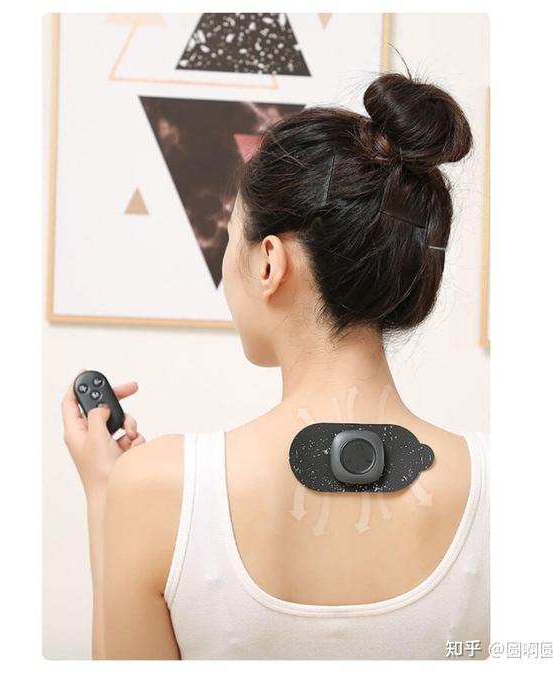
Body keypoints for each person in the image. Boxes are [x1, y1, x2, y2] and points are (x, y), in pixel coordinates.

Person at [62, 71, 490, 660]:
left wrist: (107, 495)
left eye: (230, 238)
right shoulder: (510, 483)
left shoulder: (156, 486)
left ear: (269, 263)